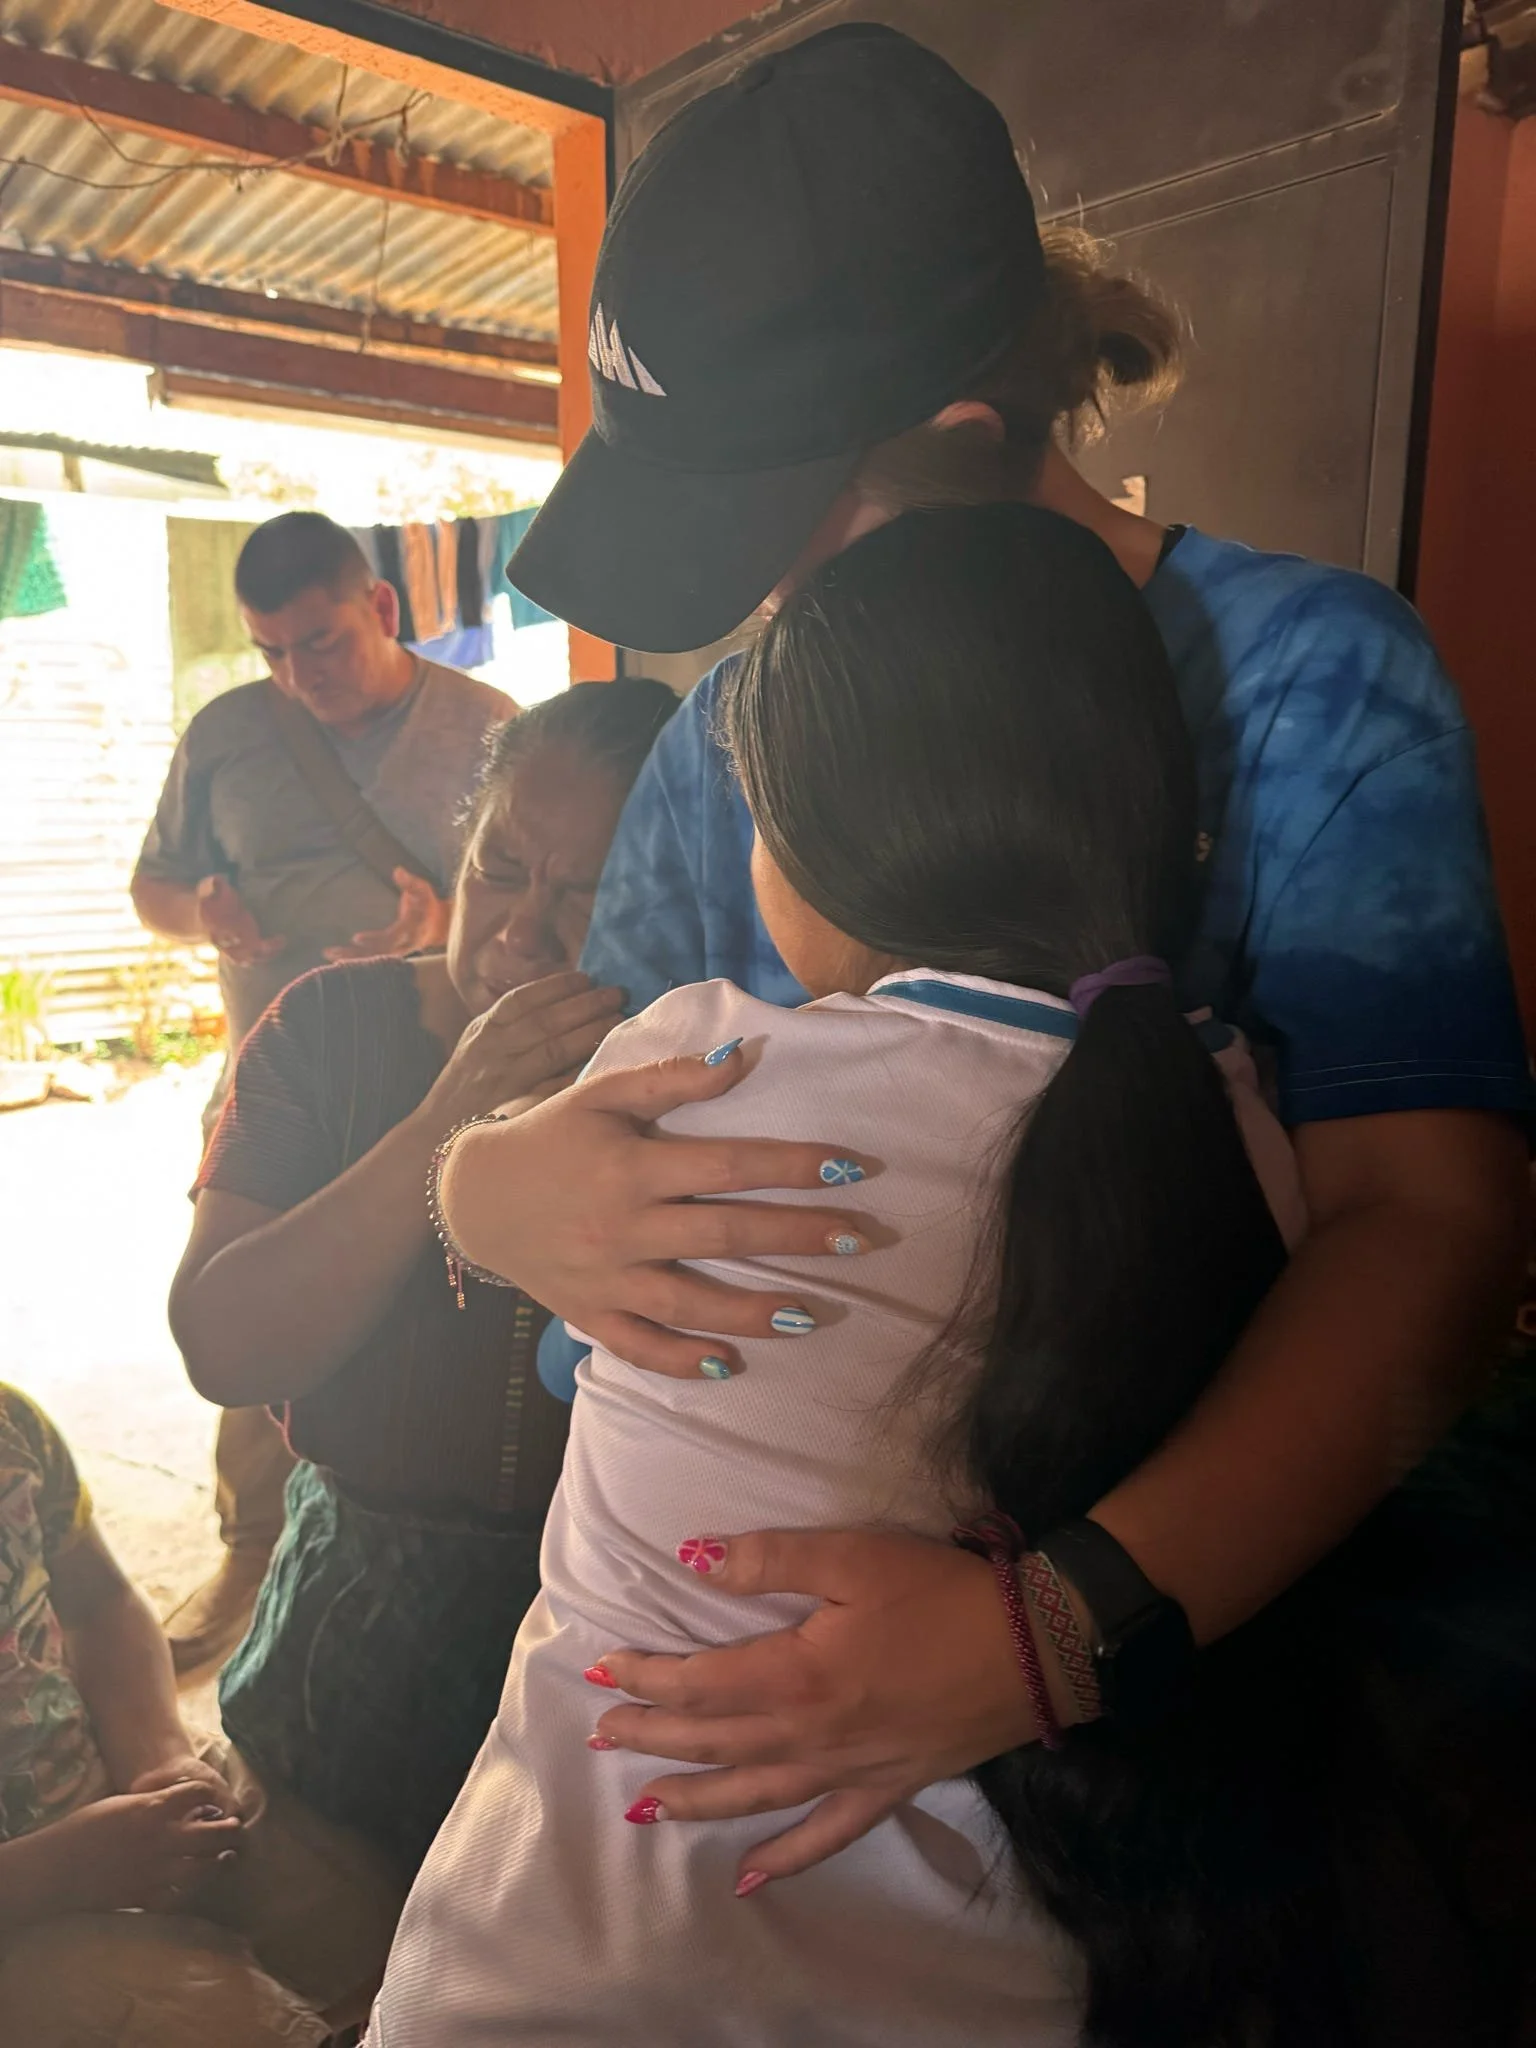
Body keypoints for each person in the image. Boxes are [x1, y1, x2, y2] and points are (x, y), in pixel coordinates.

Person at [427, 21, 1531, 1893]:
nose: (755, 616)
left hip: (1190, 1702)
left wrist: (1054, 1626)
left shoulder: (1307, 683)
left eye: (767, 538)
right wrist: (483, 1192)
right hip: (759, 1760)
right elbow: (587, 1095)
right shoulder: (725, 742)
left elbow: (1431, 1222)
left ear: (963, 440)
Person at [374, 505, 1522, 2046]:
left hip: (562, 1961)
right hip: (994, 1982)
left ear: (809, 849)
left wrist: (471, 1180)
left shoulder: (693, 1054)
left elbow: (536, 1220)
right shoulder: (1231, 1133)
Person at [167, 681, 678, 1876]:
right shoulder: (324, 1030)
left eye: (586, 891)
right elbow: (223, 1345)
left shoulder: (695, 1063)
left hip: (608, 1648)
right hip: (352, 1621)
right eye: (500, 869)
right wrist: (447, 1119)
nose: (520, 932)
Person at [133, 510, 517, 1683]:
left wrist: (449, 928)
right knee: (250, 1317)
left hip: (445, 1078)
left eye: (322, 642)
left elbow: (543, 904)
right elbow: (151, 884)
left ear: (383, 608)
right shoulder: (229, 735)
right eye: (271, 652)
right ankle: (253, 1553)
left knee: (435, 1336)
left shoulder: (490, 730)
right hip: (275, 1084)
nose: (299, 675)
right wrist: (203, 912)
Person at [0, 1379, 398, 2046]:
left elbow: (99, 1604)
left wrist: (156, 1758)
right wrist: (55, 1874)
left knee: (377, 1918)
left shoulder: (12, 1426)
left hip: (93, 1788)